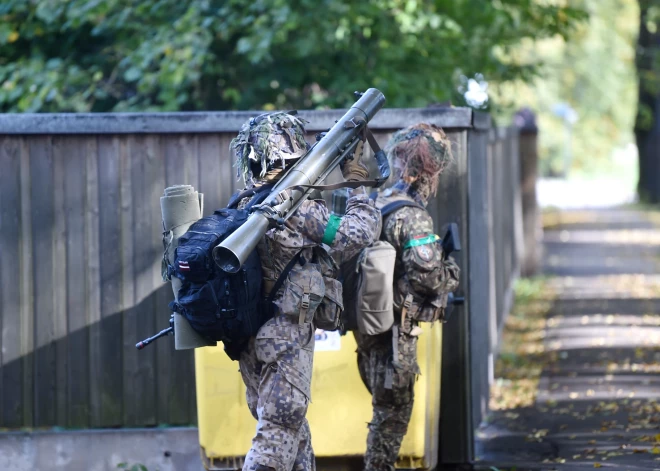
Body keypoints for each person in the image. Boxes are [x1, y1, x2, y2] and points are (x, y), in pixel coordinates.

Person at [230, 111, 381, 471]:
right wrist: (356, 183)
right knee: (278, 435)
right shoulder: (292, 209)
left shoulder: (243, 204)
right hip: (284, 341)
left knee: (294, 436)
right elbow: (357, 234)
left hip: (250, 343)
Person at [354, 123, 461, 471]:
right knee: (392, 417)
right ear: (431, 171)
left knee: (384, 411)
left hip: (369, 330)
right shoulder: (413, 217)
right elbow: (428, 277)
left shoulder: (377, 202)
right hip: (395, 339)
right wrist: (452, 272)